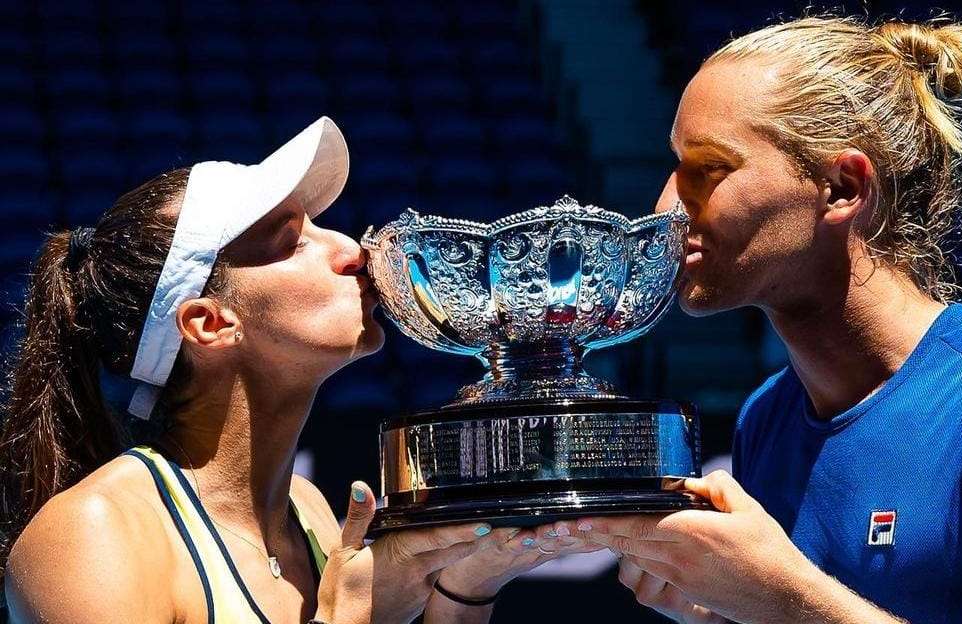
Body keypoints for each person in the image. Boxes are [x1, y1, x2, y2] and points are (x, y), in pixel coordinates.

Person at [570, 15, 962, 624]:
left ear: (841, 187)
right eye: (674, 165)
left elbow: (794, 605)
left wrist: (783, 598)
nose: (666, 208)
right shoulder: (768, 418)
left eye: (708, 168)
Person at [0, 117, 586, 623]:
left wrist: (468, 587)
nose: (353, 250)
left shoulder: (306, 508)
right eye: (290, 242)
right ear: (210, 324)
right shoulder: (93, 535)